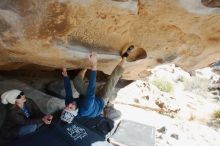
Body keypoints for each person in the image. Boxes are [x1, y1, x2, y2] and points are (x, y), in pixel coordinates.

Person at [60, 46, 135, 123]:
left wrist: (65, 76)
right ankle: (125, 56)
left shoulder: (68, 103)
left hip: (89, 99)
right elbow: (91, 88)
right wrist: (94, 64)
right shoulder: (86, 108)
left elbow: (68, 90)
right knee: (112, 80)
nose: (69, 105)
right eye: (71, 108)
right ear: (75, 111)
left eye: (66, 107)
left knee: (77, 82)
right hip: (101, 101)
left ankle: (86, 67)